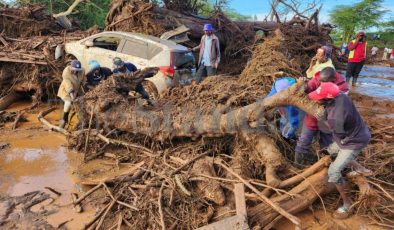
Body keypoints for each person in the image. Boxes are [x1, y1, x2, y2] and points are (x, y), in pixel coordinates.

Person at [308, 82, 372, 219]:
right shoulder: (341, 95)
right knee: (330, 151)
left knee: (333, 171)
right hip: (356, 133)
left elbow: (331, 130)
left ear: (327, 99)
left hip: (353, 142)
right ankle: (360, 168)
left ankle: (347, 204)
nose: (316, 99)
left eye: (319, 97)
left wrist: (322, 118)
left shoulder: (335, 117)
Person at [295, 67, 349, 165]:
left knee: (326, 145)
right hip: (312, 117)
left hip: (329, 120)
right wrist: (302, 85)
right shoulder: (319, 77)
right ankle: (298, 165)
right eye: (321, 82)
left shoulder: (342, 87)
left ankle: (324, 165)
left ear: (332, 80)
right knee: (303, 141)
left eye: (325, 83)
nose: (321, 85)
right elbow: (309, 87)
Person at [57, 60, 86, 128]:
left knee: (81, 103)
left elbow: (84, 80)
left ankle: (82, 121)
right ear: (71, 67)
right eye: (75, 70)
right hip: (66, 91)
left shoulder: (82, 71)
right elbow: (68, 86)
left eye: (78, 70)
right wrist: (73, 98)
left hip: (76, 90)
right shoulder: (66, 72)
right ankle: (64, 118)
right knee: (68, 103)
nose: (76, 71)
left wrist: (86, 88)